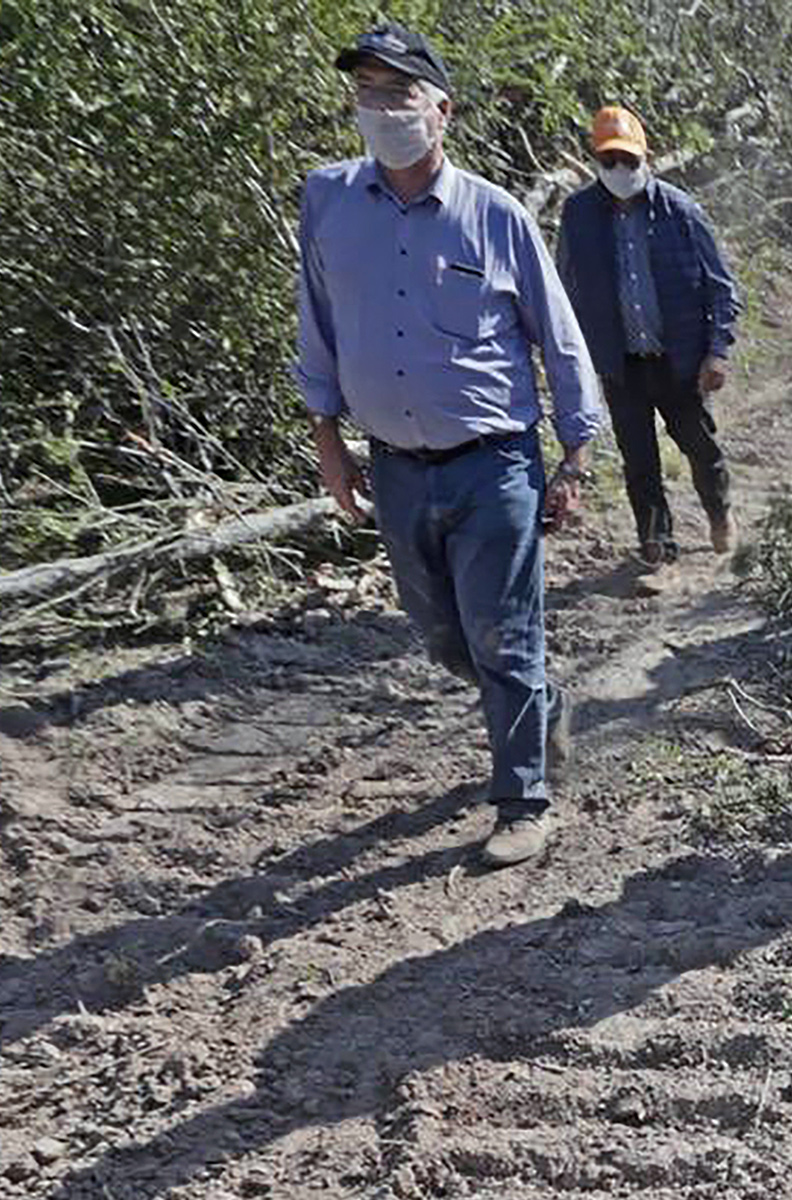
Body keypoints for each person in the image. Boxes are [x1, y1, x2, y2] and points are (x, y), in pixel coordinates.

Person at [296, 22, 605, 867]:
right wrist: (328, 440)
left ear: (443, 111)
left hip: (494, 465)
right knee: (445, 637)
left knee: (503, 636)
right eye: (367, 92)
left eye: (400, 93)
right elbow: (317, 325)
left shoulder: (495, 215)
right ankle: (542, 706)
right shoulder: (328, 201)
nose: (382, 108)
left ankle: (523, 803)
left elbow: (559, 338)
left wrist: (576, 454)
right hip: (396, 467)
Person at [556, 104, 742, 568]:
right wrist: (572, 355)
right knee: (638, 460)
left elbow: (721, 287)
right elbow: (565, 288)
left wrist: (717, 351)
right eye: (609, 160)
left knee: (699, 446)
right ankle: (655, 544)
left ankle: (719, 512)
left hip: (680, 358)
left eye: (628, 160)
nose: (620, 169)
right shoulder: (579, 215)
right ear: (596, 161)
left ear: (647, 158)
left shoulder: (681, 211)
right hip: (621, 363)